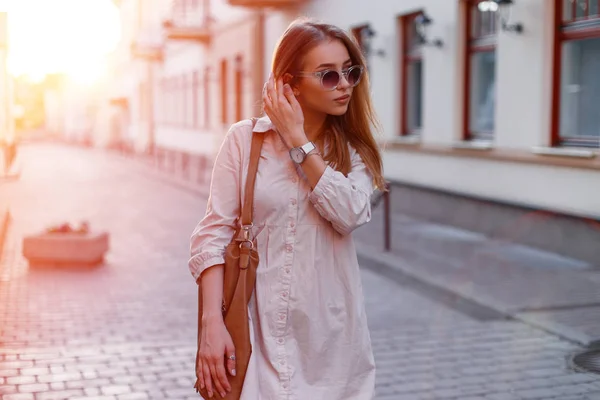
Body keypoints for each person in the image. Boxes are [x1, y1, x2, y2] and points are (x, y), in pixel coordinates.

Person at [188, 17, 386, 400]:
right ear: (290, 83)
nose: (344, 84)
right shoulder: (245, 140)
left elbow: (350, 214)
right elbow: (213, 234)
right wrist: (211, 323)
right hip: (256, 330)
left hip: (330, 342)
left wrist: (299, 142)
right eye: (328, 75)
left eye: (350, 72)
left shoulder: (354, 150)